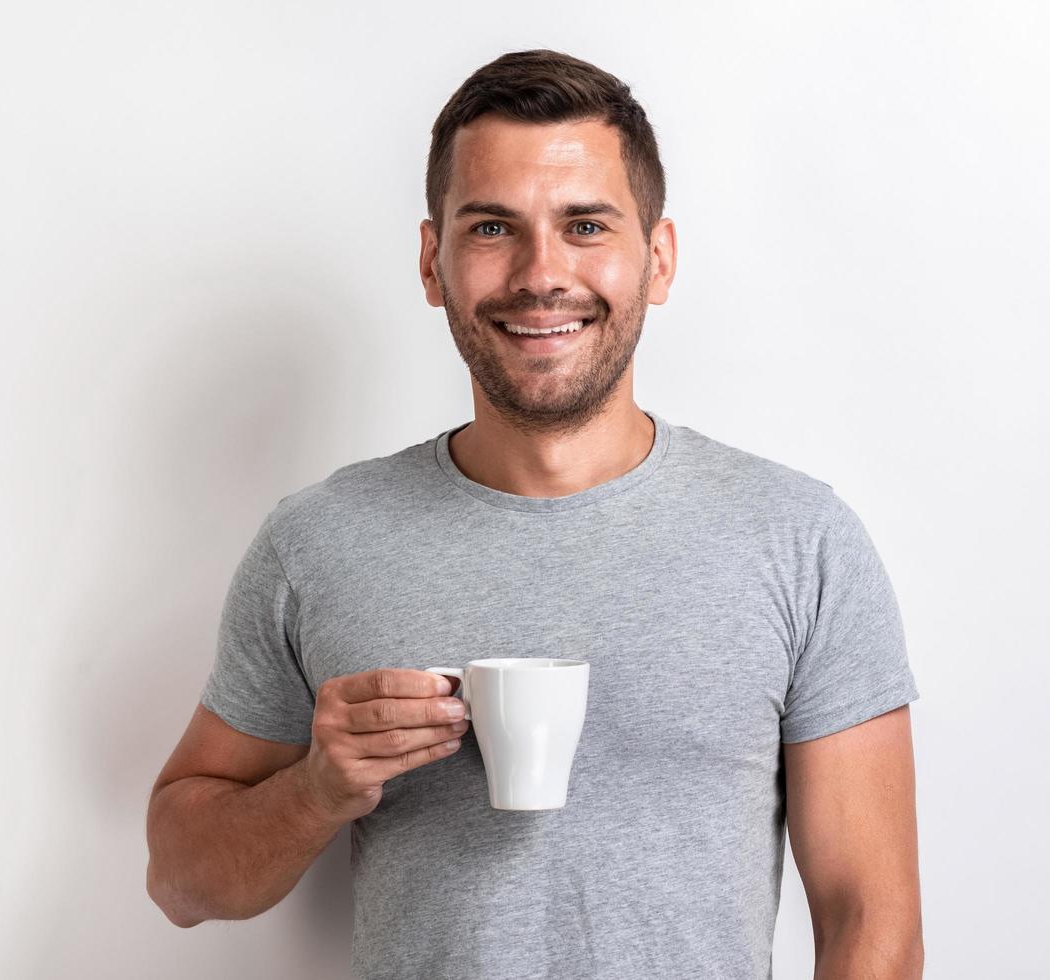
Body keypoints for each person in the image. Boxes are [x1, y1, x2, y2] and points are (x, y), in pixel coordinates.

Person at [145, 48, 924, 980]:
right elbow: (181, 884)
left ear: (658, 259)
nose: (539, 272)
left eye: (586, 224)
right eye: (491, 228)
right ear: (433, 262)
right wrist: (318, 787)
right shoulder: (317, 542)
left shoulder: (799, 541)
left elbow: (872, 922)